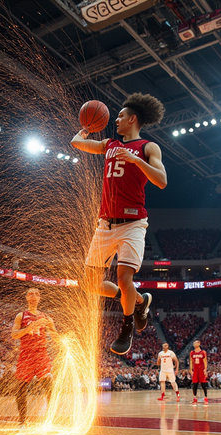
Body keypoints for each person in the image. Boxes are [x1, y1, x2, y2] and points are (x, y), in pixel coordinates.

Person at [71, 93, 167, 355]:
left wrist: (136, 160)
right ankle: (136, 301)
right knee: (89, 284)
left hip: (133, 223)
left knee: (124, 278)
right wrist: (85, 129)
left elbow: (161, 180)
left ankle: (127, 329)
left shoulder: (148, 147)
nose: (116, 119)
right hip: (105, 225)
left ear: (132, 119)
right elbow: (76, 143)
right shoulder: (110, 144)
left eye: (121, 116)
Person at [10, 288, 57, 426]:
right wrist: (29, 328)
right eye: (30, 293)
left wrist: (65, 342)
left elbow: (55, 335)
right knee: (20, 388)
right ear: (26, 297)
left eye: (36, 294)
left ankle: (50, 419)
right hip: (26, 354)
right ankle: (22, 421)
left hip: (41, 354)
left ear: (39, 298)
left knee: (49, 387)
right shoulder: (21, 315)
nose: (33, 296)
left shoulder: (46, 318)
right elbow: (14, 334)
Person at [189, 340, 209, 405]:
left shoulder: (203, 352)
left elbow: (205, 361)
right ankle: (194, 397)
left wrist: (205, 369)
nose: (194, 344)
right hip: (195, 369)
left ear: (199, 344)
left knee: (203, 383)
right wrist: (191, 369)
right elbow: (191, 361)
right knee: (195, 383)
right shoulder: (192, 352)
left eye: (196, 343)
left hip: (201, 369)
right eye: (194, 343)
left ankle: (205, 397)